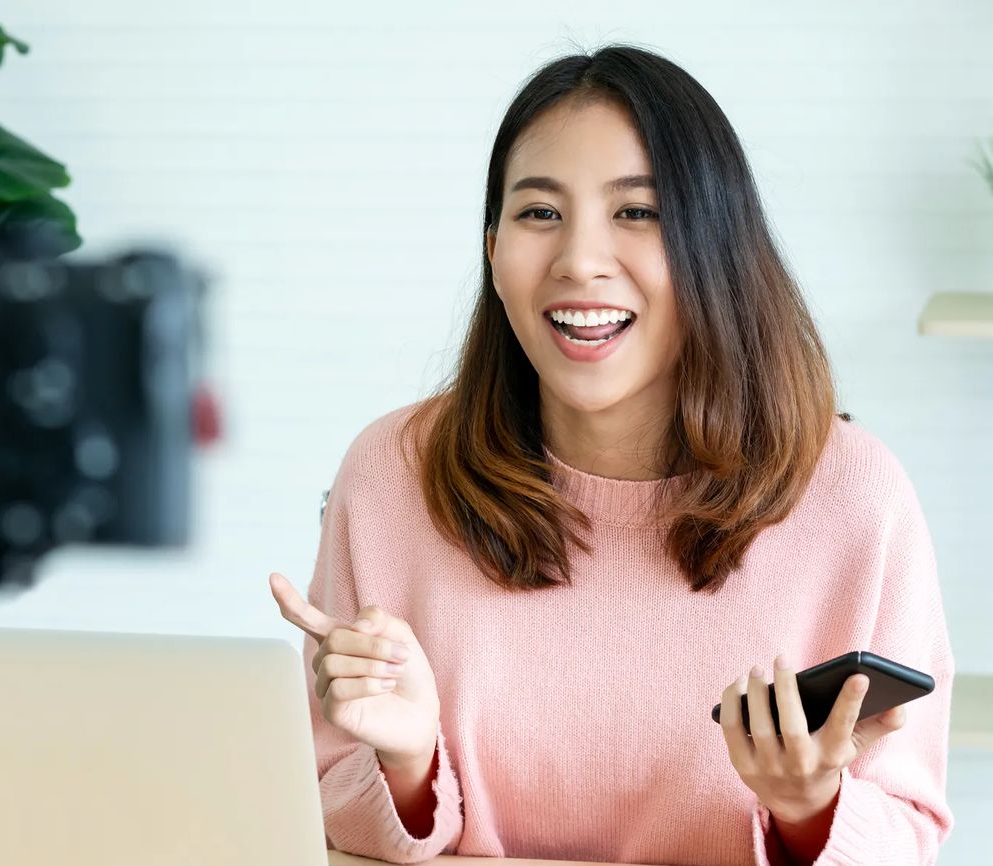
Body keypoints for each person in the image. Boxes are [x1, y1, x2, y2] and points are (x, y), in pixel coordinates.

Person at [269, 44, 954, 866]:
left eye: (638, 213)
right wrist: (408, 765)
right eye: (538, 213)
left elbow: (908, 830)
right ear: (492, 249)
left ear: (716, 247)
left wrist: (810, 812)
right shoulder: (392, 476)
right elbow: (322, 806)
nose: (579, 262)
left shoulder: (852, 495)